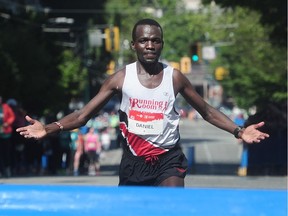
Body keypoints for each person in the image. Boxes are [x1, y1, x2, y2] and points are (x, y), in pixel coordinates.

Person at [17, 18, 269, 187]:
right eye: (144, 41)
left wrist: (238, 131)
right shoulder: (120, 79)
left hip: (168, 159)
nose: (150, 45)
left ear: (162, 43)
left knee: (171, 209)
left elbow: (206, 111)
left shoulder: (175, 77)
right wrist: (48, 129)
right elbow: (83, 115)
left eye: (155, 40)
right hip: (133, 162)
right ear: (134, 44)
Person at [0, 96, 15, 177]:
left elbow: (12, 117)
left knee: (6, 152)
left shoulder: (6, 107)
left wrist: (7, 123)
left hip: (5, 133)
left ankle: (7, 170)